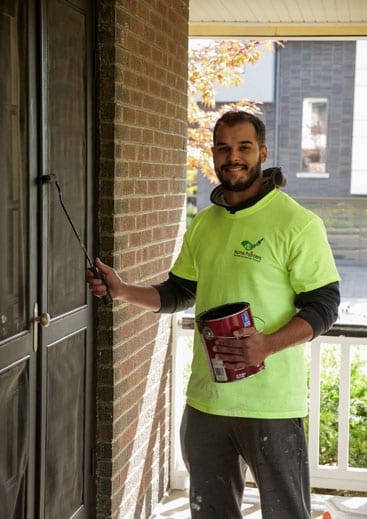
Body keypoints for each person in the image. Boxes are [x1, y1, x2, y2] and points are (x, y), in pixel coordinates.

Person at [87, 111, 340, 519]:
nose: (233, 156)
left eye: (243, 147)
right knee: (210, 513)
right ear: (213, 154)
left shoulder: (297, 223)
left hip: (270, 405)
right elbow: (179, 291)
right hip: (207, 400)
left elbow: (325, 305)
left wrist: (268, 345)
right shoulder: (204, 224)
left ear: (262, 152)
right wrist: (122, 291)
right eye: (223, 148)